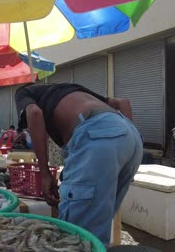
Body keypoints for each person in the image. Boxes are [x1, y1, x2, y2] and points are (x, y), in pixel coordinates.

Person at [15, 83, 143, 247]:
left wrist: (45, 174)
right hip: (130, 135)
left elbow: (34, 114)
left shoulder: (24, 92)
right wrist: (121, 147)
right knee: (97, 225)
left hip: (96, 136)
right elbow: (122, 103)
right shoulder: (69, 89)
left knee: (76, 237)